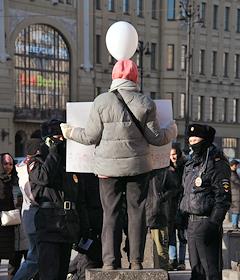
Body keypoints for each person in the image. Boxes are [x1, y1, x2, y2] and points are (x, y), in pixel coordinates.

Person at [60, 59, 178, 270]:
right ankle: (136, 261)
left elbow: (90, 137)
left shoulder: (101, 101)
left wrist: (69, 132)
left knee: (110, 214)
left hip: (107, 170)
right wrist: (172, 131)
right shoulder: (145, 102)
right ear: (135, 78)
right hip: (138, 168)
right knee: (136, 214)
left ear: (114, 77)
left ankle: (110, 262)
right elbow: (157, 139)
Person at [28, 119, 89, 280]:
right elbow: (44, 178)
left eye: (63, 138)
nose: (62, 142)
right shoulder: (37, 161)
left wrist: (84, 228)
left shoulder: (70, 163)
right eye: (58, 138)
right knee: (49, 274)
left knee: (62, 274)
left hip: (68, 226)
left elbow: (79, 198)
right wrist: (53, 152)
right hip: (49, 225)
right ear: (48, 140)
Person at [180, 124, 231, 280]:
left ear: (205, 141)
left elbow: (223, 197)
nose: (192, 143)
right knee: (196, 272)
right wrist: (181, 217)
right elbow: (186, 192)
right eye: (190, 140)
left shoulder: (216, 163)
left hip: (206, 222)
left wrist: (214, 223)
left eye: (196, 140)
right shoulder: (191, 164)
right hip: (191, 222)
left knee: (210, 270)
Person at [13, 137, 44, 280]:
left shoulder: (24, 165)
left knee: (36, 257)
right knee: (34, 258)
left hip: (30, 213)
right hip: (33, 213)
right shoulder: (29, 167)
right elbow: (31, 193)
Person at [146, 167, 178, 270]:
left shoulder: (164, 171)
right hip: (149, 212)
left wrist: (161, 198)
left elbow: (174, 188)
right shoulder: (144, 170)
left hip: (158, 213)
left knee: (161, 248)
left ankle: (163, 269)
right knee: (159, 248)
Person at [168, 143, 187, 270]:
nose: (172, 157)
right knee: (171, 235)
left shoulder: (184, 166)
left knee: (182, 236)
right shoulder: (166, 168)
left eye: (174, 154)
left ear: (178, 154)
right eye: (170, 155)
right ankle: (172, 260)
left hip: (183, 204)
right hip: (170, 205)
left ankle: (181, 261)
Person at [0, 153, 19, 264]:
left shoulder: (15, 180)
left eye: (11, 164)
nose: (8, 166)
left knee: (12, 259)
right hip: (2, 222)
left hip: (10, 224)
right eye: (5, 163)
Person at [8, 192, 28, 279]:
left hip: (27, 242)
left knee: (32, 266)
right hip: (15, 243)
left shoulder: (27, 208)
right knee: (13, 268)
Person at [229, 159, 240, 229]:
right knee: (236, 210)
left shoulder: (234, 173)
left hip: (236, 194)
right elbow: (237, 183)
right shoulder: (231, 174)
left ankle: (235, 224)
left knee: (236, 210)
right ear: (232, 165)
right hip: (235, 195)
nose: (236, 167)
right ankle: (234, 224)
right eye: (235, 165)